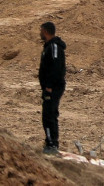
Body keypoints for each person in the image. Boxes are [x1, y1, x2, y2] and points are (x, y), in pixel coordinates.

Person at [39, 21, 66, 154]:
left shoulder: (54, 46)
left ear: (45, 31)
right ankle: (50, 142)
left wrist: (49, 86)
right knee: (48, 114)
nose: (40, 33)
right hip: (50, 87)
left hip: (53, 88)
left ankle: (52, 144)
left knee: (49, 114)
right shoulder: (49, 47)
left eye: (41, 31)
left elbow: (55, 68)